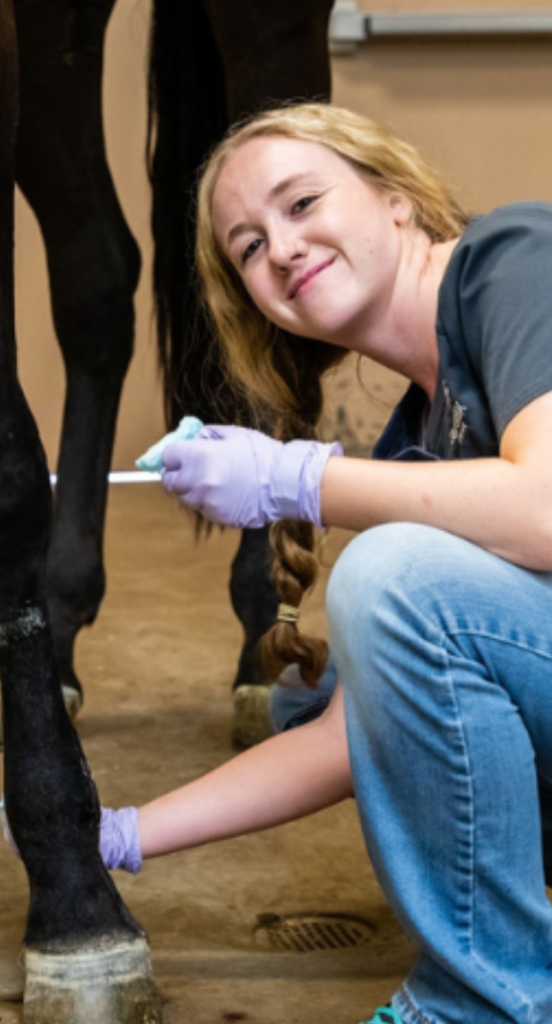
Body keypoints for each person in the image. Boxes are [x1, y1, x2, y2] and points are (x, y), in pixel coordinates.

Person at [95, 103, 552, 1024]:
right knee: (343, 665)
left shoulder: (516, 261)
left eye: (303, 202)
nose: (283, 248)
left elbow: (546, 509)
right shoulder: (421, 441)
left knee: (390, 580)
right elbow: (350, 739)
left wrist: (300, 477)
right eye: (250, 247)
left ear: (395, 200)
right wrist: (118, 834)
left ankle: (484, 1003)